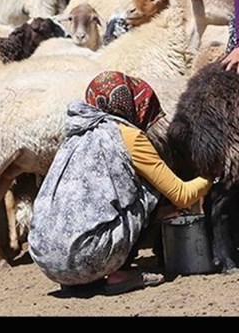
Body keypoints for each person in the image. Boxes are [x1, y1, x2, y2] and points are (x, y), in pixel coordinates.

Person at [28, 71, 212, 296]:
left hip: (47, 261)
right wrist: (212, 175)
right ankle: (120, 273)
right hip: (87, 258)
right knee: (149, 189)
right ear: (131, 103)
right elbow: (182, 195)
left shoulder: (75, 135)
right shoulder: (128, 136)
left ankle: (80, 278)